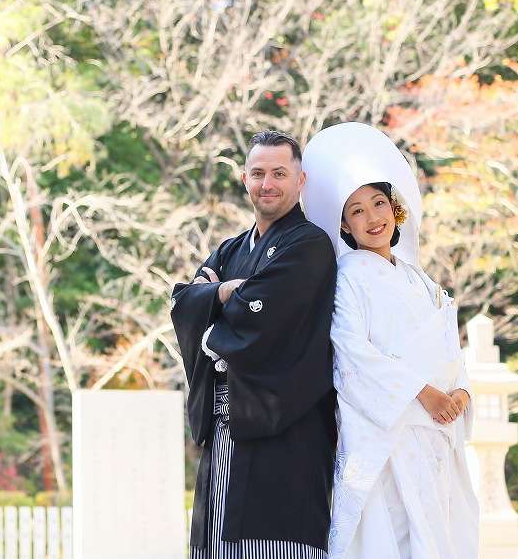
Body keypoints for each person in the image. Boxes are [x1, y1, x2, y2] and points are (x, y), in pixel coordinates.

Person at [302, 122, 479, 559]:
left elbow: (449, 348)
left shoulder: (420, 278)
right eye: (357, 211)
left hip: (437, 430)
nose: (373, 218)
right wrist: (424, 393)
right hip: (392, 434)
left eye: (379, 203)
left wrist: (461, 391)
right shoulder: (348, 278)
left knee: (439, 535)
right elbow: (352, 353)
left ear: (395, 209)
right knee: (394, 538)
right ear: (345, 226)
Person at [171, 130, 339, 559]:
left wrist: (213, 302)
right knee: (218, 543)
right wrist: (226, 292)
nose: (268, 183)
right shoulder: (230, 250)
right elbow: (183, 304)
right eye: (259, 173)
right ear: (244, 178)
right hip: (225, 424)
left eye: (279, 173)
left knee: (278, 543)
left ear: (300, 180)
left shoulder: (309, 245)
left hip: (290, 427)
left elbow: (259, 317)